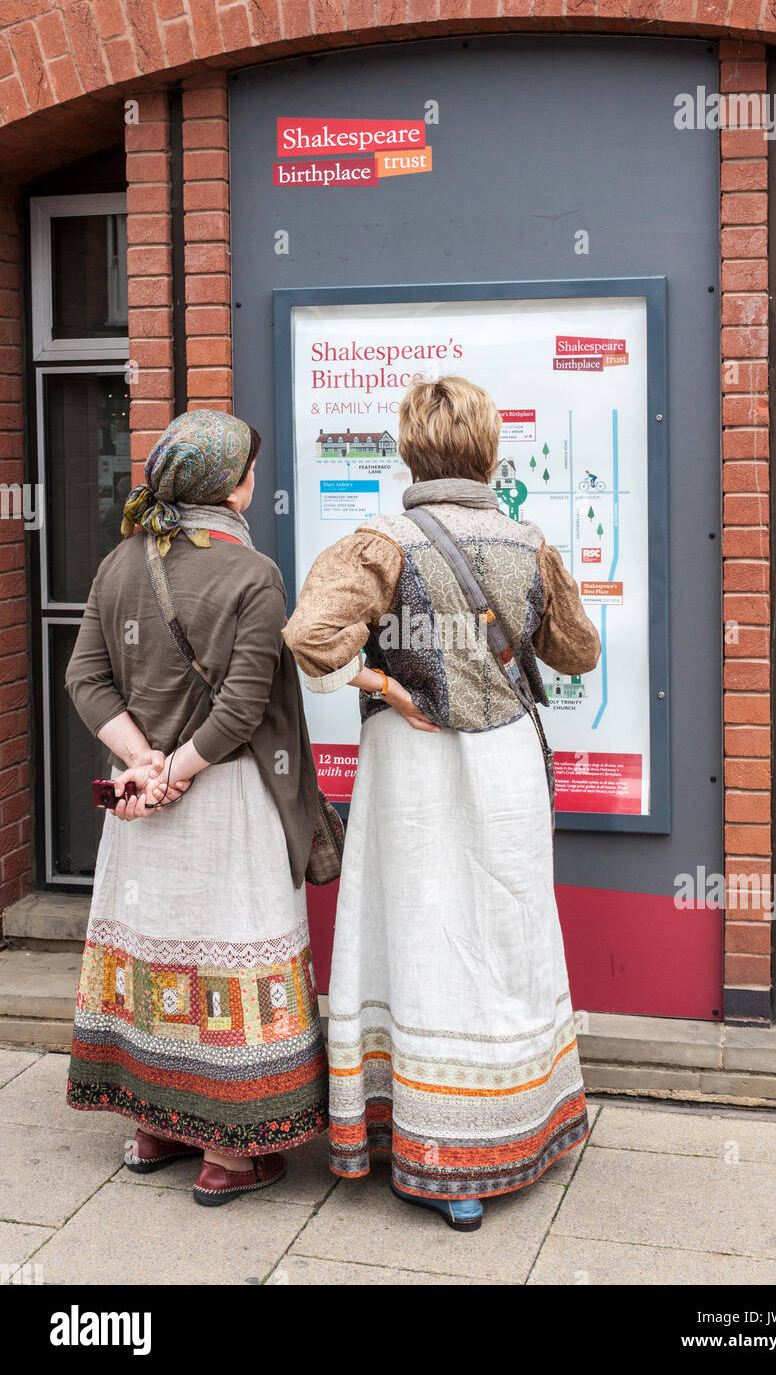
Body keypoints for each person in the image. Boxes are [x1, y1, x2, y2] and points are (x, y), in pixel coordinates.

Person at [284, 376, 602, 1231]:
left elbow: (312, 635)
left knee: (419, 933)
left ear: (410, 450)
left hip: (412, 767)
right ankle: (517, 1127)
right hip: (501, 768)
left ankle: (417, 1137)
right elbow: (578, 653)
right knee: (508, 934)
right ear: (489, 450)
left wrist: (382, 681)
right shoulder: (527, 540)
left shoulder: (379, 541)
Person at [65, 408, 327, 1206]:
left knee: (154, 958)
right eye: (249, 467)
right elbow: (244, 708)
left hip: (139, 815)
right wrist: (175, 771)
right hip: (228, 802)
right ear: (233, 486)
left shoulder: (121, 562)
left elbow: (84, 677)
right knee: (227, 958)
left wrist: (139, 760)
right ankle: (230, 1156)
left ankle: (154, 1129)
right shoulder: (254, 574)